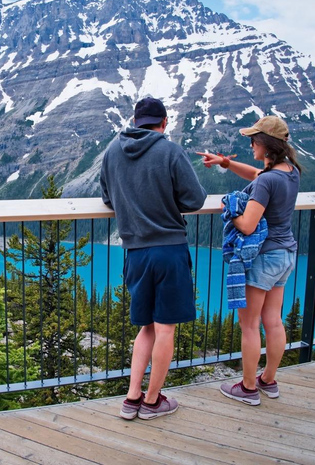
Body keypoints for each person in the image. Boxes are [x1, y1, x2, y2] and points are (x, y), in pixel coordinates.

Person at [100, 97, 208, 420]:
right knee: (165, 330)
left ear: (135, 122)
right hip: (169, 251)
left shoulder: (111, 152)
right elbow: (196, 199)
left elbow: (107, 198)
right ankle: (152, 401)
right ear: (163, 124)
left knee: (145, 328)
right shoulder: (170, 150)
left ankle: (131, 398)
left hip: (135, 253)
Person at [197, 115, 301, 406]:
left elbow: (247, 225)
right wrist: (224, 163)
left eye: (254, 139)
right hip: (285, 255)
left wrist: (230, 207)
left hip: (262, 258)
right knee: (274, 322)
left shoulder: (267, 181)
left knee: (250, 325)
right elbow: (257, 176)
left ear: (266, 144)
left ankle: (248, 387)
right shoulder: (289, 172)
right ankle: (268, 380)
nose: (250, 144)